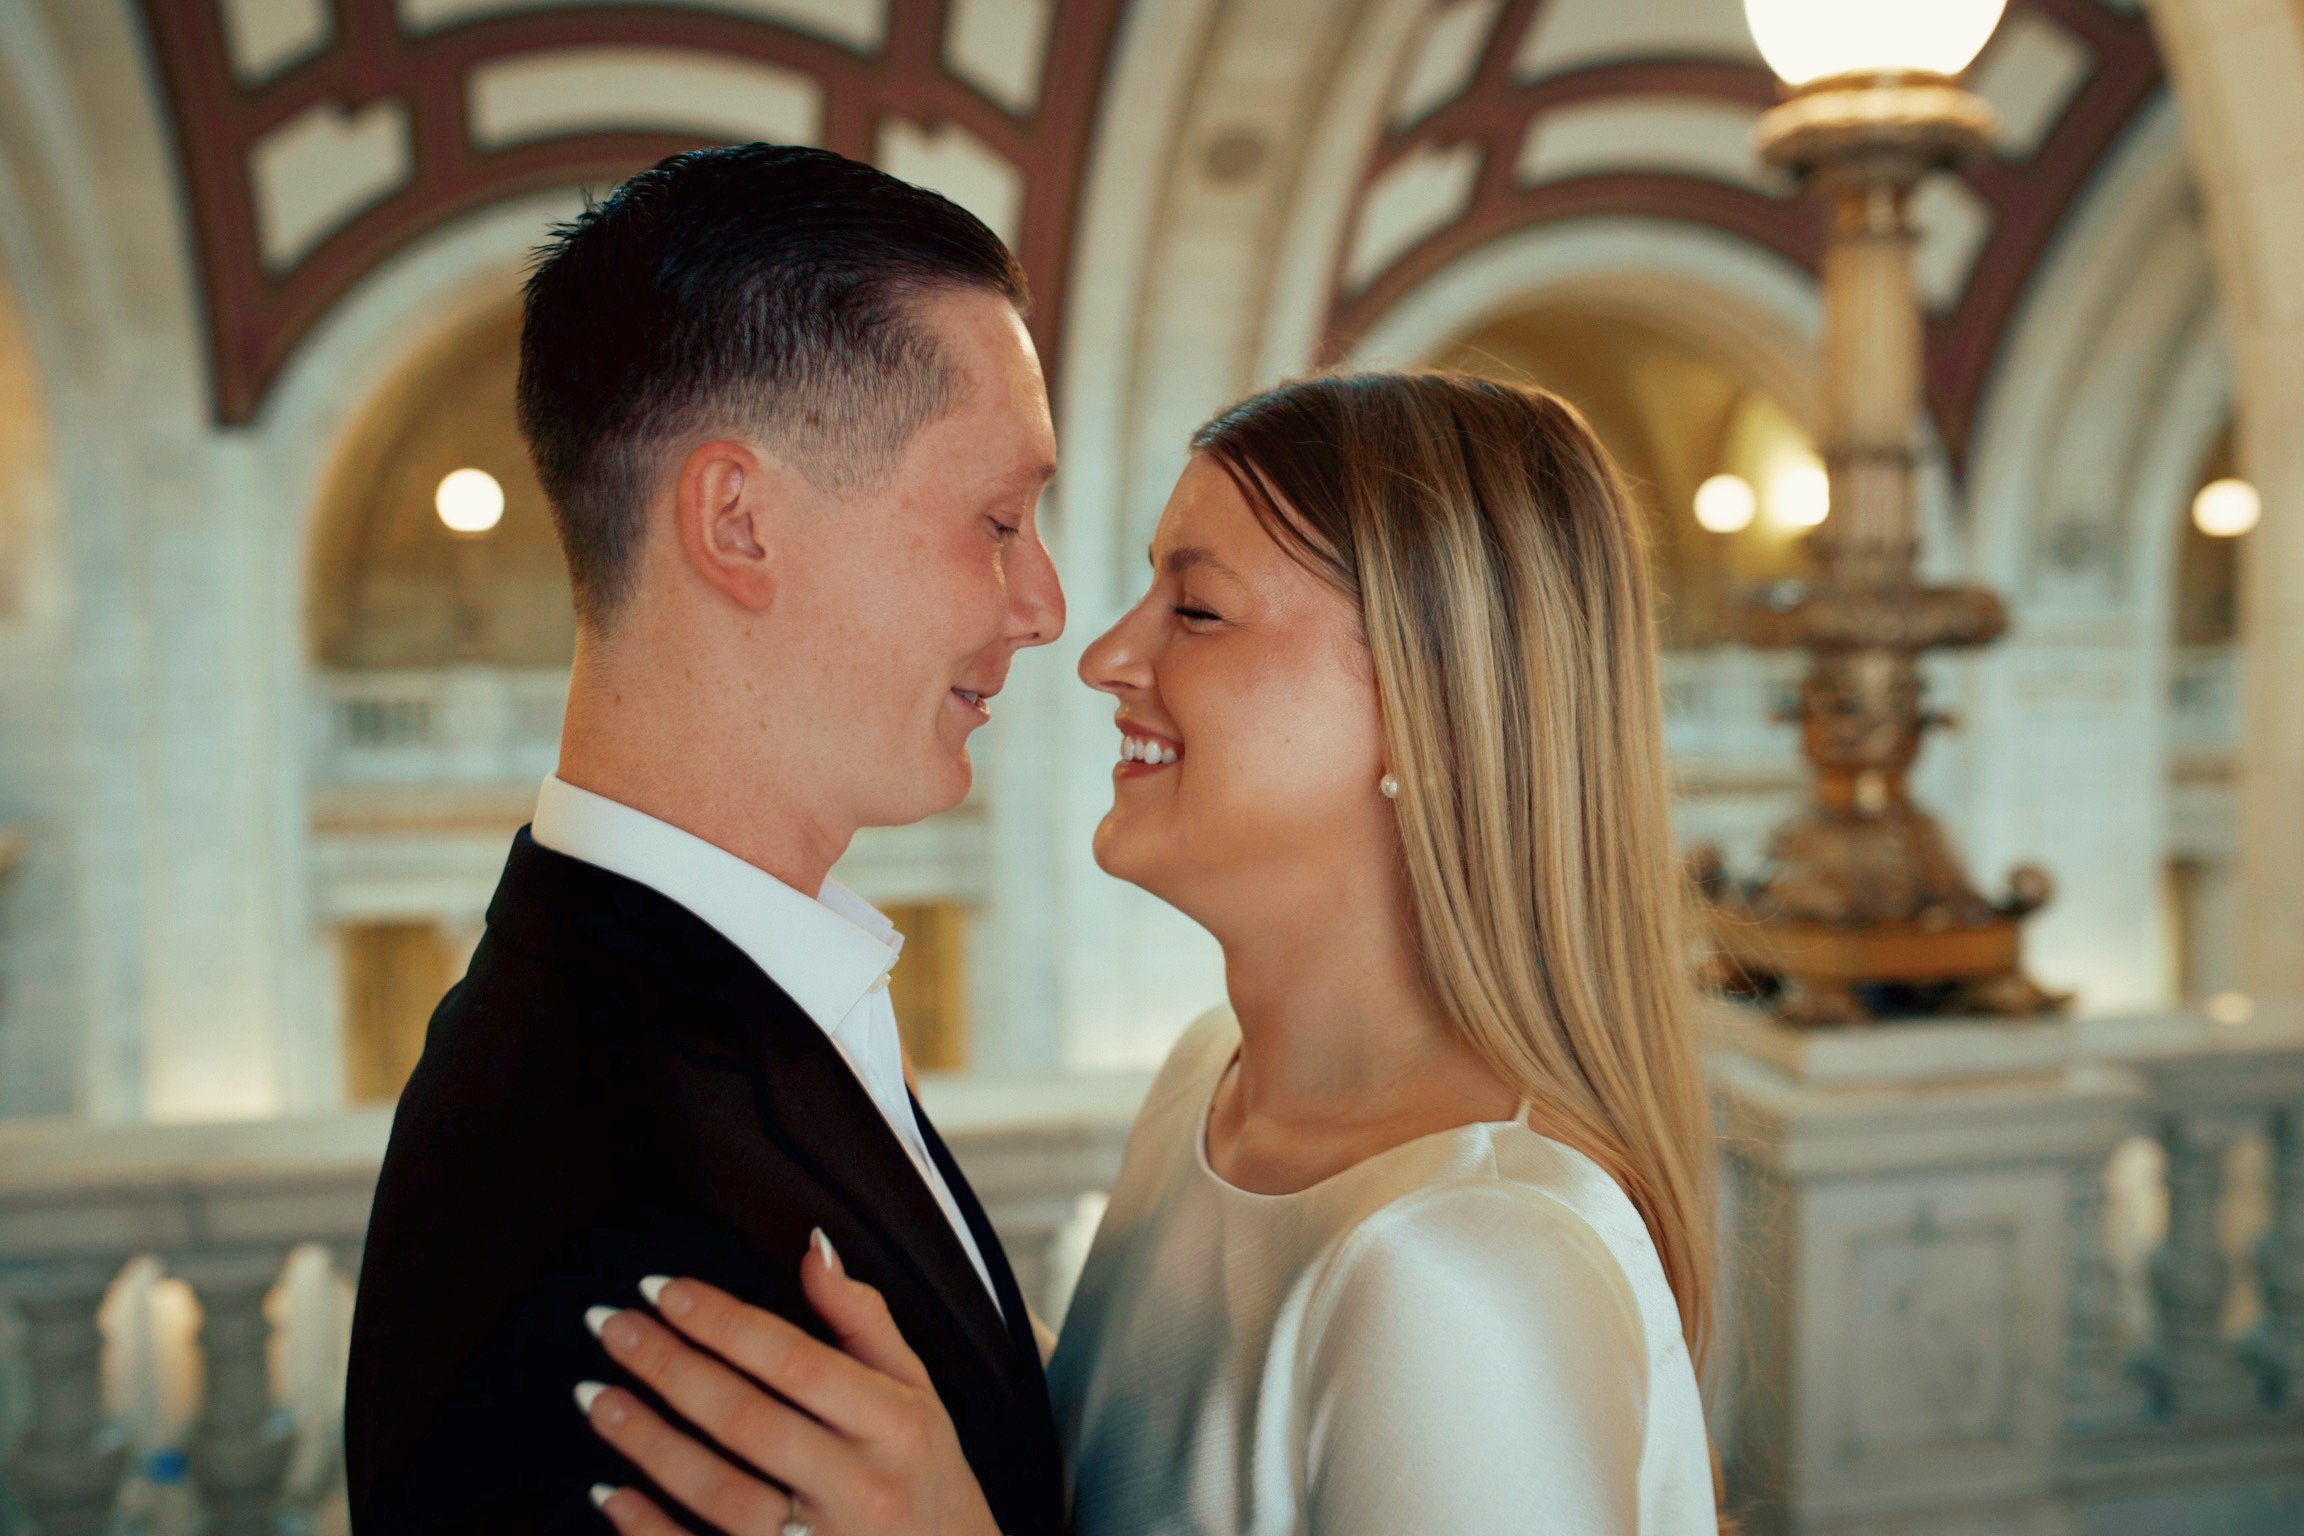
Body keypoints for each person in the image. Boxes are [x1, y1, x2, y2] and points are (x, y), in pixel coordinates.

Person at [575, 372, 1724, 1535]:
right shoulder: (1205, 1083)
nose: (1105, 656)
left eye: (1200, 610)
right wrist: (886, 1188)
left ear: (1430, 706)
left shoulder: (1471, 1267)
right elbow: (1133, 1475)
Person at [343, 143, 1067, 1536]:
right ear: (738, 521)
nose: (1042, 605)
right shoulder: (616, 1181)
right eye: (997, 519)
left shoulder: (688, 1007)